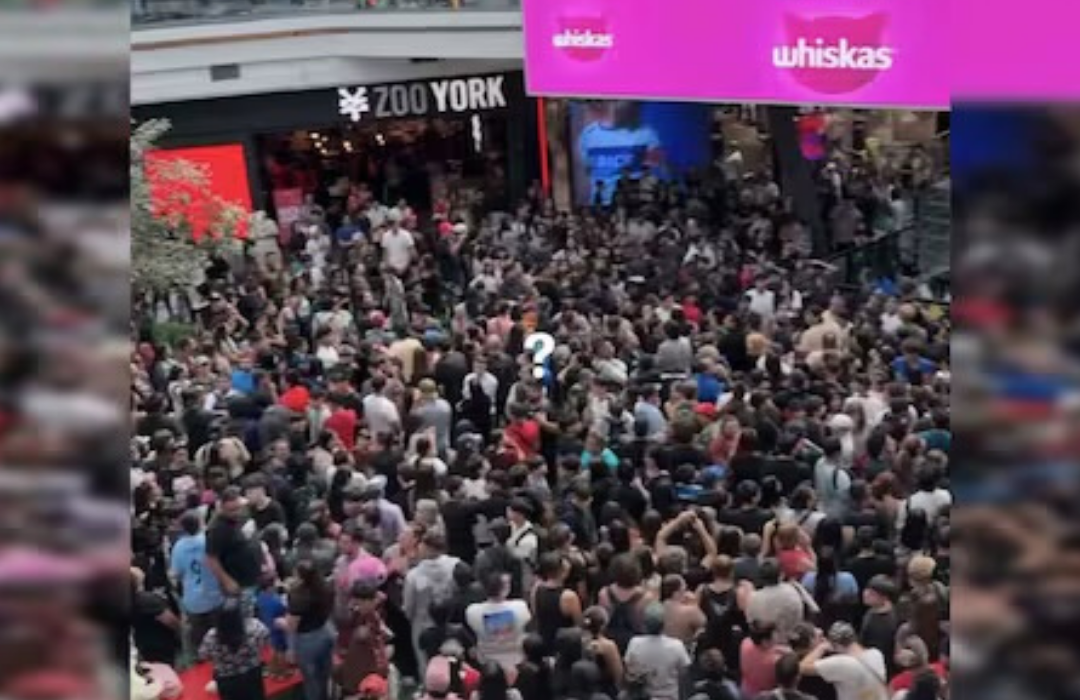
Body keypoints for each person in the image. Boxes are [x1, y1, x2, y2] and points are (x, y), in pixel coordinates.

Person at [169, 510, 223, 658]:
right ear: (200, 523)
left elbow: (175, 573)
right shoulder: (208, 540)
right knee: (219, 634)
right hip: (215, 595)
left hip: (193, 600)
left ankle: (203, 662)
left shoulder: (178, 547)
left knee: (200, 638)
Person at [198, 601, 269, 700]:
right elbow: (265, 639)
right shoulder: (254, 627)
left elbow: (203, 655)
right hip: (252, 674)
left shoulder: (211, 636)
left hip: (227, 680)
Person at [799, 622, 889, 700]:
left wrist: (821, 648)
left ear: (835, 645)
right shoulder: (876, 654)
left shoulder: (841, 663)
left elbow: (802, 667)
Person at [466, 571, 531, 675]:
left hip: (486, 660)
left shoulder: (473, 611)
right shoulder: (520, 607)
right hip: (515, 658)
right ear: (505, 589)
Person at [286, 560, 335, 700]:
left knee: (311, 678)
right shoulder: (325, 587)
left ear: (301, 577)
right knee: (325, 672)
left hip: (307, 640)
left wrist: (291, 649)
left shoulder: (298, 596)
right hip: (325, 631)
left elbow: (292, 625)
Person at [624, 602, 690, 700]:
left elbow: (628, 667)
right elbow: (684, 672)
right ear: (664, 624)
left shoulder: (635, 643)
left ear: (644, 623)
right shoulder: (677, 645)